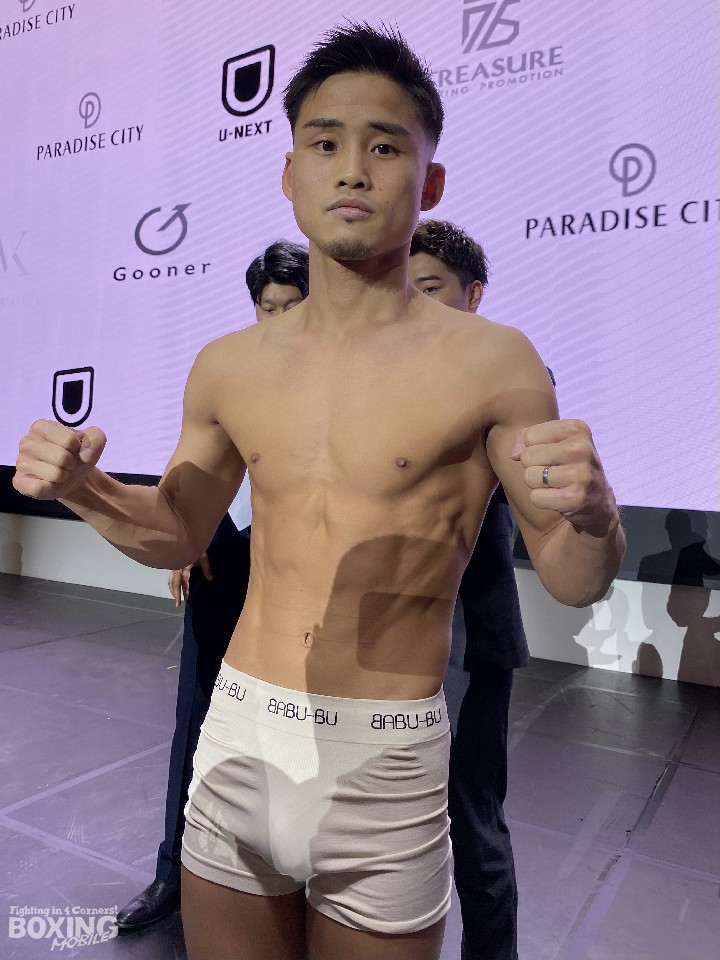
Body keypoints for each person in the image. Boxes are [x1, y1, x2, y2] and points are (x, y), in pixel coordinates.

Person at [14, 24, 625, 960]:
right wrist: (86, 489)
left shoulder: (494, 363)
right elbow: (179, 532)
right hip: (241, 735)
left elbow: (574, 579)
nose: (352, 170)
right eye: (325, 142)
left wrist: (596, 515)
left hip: (385, 757)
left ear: (429, 183)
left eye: (385, 147)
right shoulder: (230, 365)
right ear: (289, 172)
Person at [115, 240, 310, 931]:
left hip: (303, 574)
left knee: (292, 733)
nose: (278, 319)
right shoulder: (231, 373)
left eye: (292, 306)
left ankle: (284, 884)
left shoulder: (342, 379)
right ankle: (172, 872)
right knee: (195, 719)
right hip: (226, 556)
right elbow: (193, 474)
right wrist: (186, 537)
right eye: (267, 307)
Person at [410, 219, 547, 960]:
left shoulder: (511, 378)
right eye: (406, 289)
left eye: (430, 288)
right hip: (385, 644)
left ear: (474, 295)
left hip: (471, 640)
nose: (415, 303)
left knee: (472, 824)